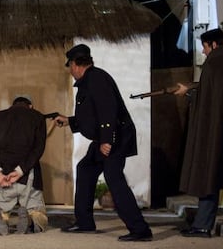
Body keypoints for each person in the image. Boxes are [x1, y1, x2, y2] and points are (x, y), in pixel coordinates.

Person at [54, 44, 152, 242]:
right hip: (105, 137)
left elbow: (108, 110)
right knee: (85, 168)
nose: (70, 71)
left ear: (75, 64)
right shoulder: (89, 80)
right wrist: (70, 121)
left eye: (70, 66)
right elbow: (92, 116)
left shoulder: (96, 78)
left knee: (113, 177)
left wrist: (107, 140)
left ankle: (140, 229)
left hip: (114, 137)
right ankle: (85, 222)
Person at [177, 28, 223, 238]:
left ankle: (202, 225)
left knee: (209, 172)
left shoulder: (215, 62)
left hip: (220, 129)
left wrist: (190, 94)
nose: (203, 51)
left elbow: (210, 100)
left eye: (204, 46)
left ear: (213, 44)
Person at [0, 97, 48, 235]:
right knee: (37, 211)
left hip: (2, 178)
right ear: (30, 106)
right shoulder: (38, 117)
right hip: (28, 176)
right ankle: (32, 221)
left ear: (11, 106)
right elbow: (38, 149)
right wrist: (20, 171)